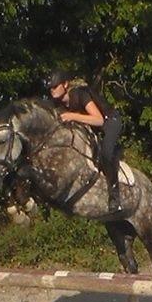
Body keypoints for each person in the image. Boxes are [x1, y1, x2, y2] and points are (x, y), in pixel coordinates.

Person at [45, 69, 124, 213]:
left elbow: (98, 120)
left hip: (110, 121)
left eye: (55, 86)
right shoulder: (57, 105)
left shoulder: (80, 94)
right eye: (50, 88)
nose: (52, 90)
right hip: (93, 128)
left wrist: (72, 116)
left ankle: (115, 197)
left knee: (106, 153)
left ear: (65, 84)